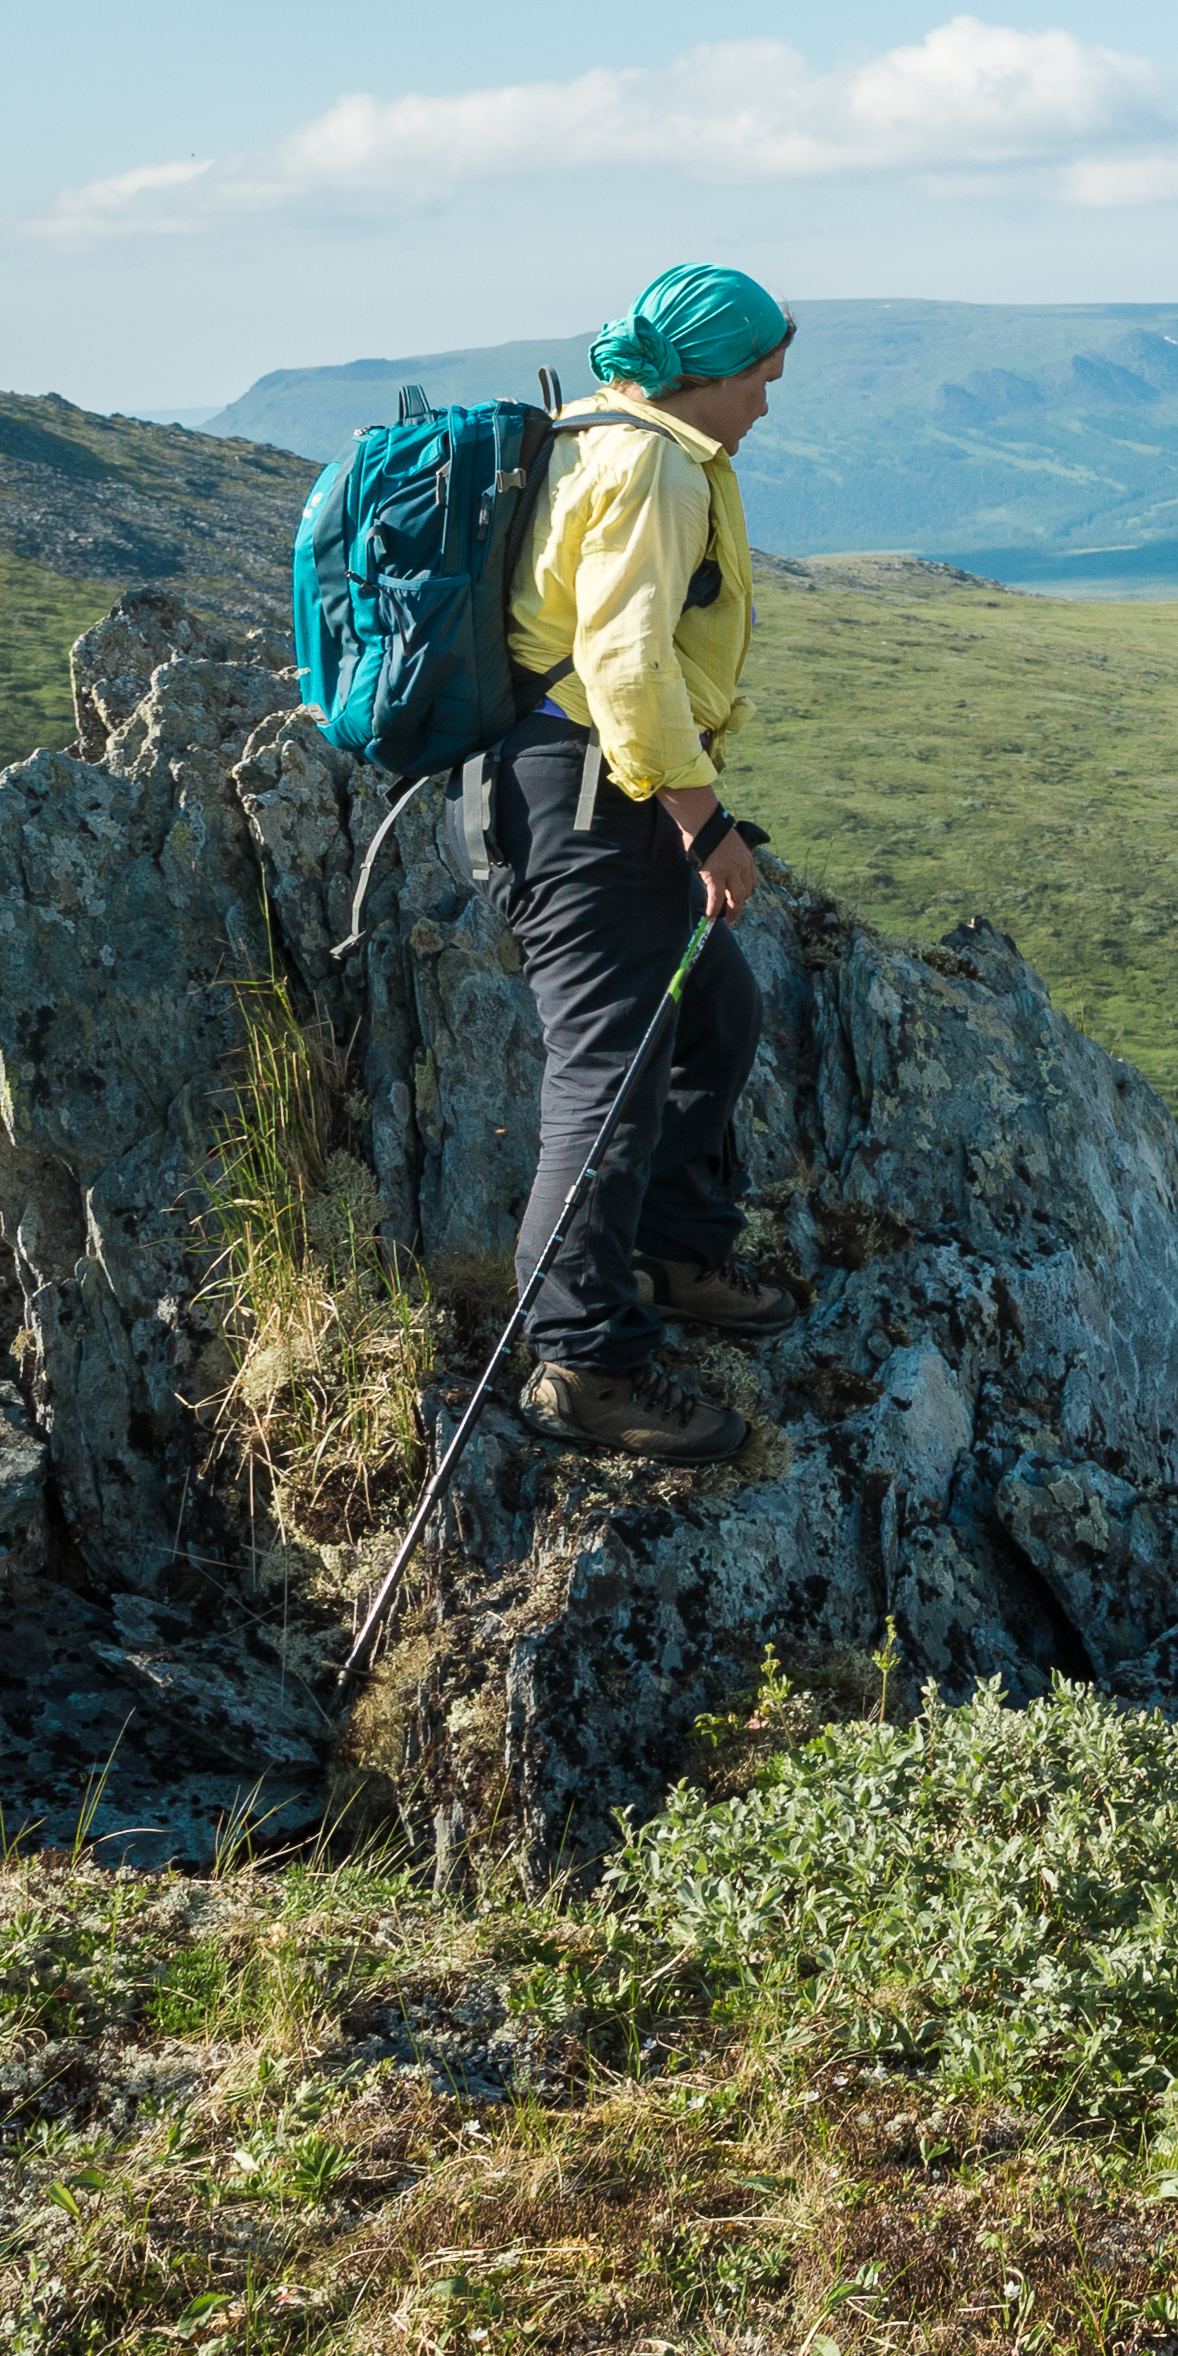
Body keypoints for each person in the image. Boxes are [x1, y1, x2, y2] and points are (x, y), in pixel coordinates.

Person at [485, 263, 806, 1463]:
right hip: (585, 795)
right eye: (759, 381)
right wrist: (703, 826)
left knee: (715, 1010)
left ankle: (673, 1253)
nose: (765, 407)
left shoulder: (594, 432)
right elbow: (624, 667)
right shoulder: (655, 463)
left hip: (574, 777)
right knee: (608, 1072)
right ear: (708, 374)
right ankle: (584, 1363)